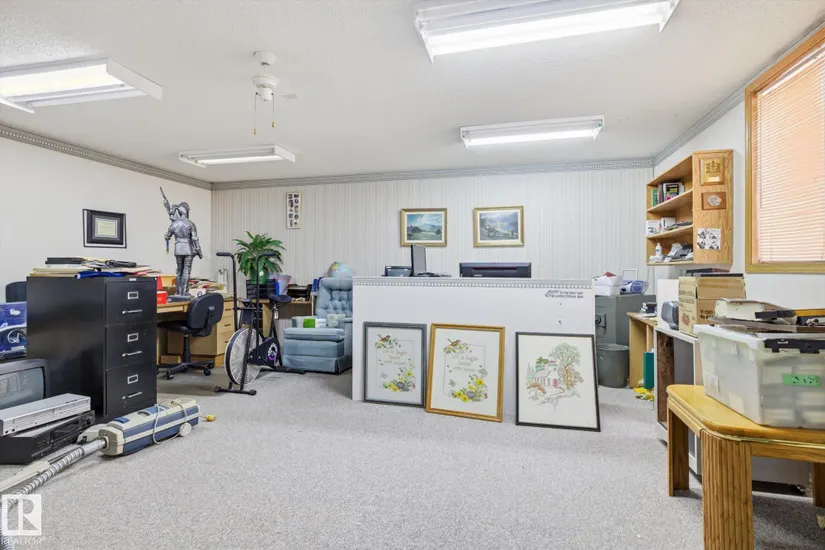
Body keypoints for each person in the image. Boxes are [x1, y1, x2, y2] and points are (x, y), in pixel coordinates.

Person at [161, 188, 202, 298]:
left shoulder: (174, 224)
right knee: (186, 271)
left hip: (178, 248)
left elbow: (167, 236)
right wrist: (199, 252)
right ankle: (184, 292)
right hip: (188, 248)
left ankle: (178, 292)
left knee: (179, 271)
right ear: (187, 211)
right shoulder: (190, 224)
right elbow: (195, 239)